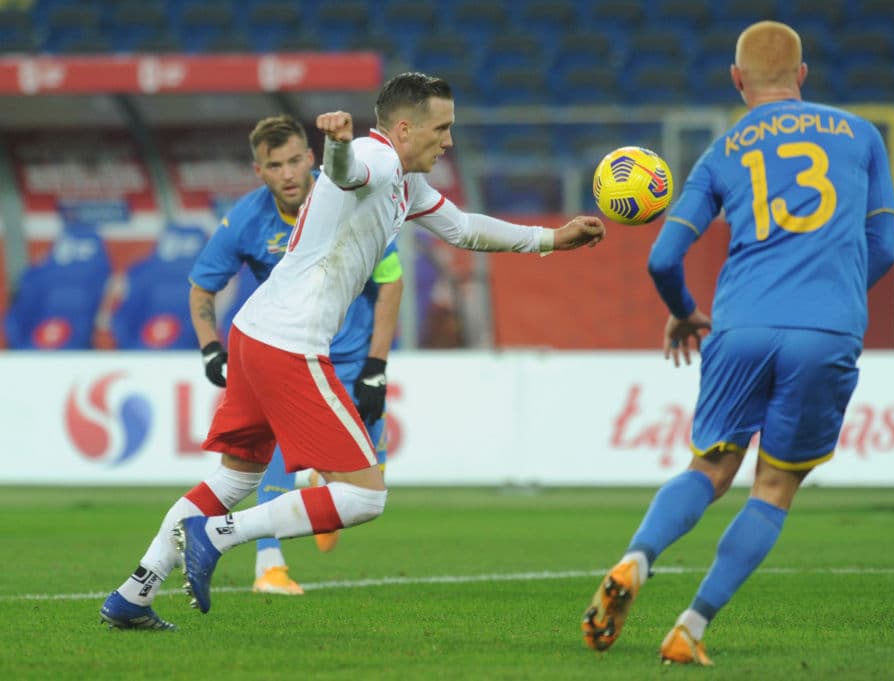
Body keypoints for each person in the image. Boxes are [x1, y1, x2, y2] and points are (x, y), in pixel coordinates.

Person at [99, 71, 606, 630]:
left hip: (254, 333)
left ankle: (134, 593)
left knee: (233, 480)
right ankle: (219, 534)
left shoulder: (406, 184)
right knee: (364, 497)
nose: (449, 141)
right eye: (442, 128)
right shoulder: (375, 156)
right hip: (289, 344)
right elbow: (345, 172)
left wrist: (552, 239)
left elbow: (463, 229)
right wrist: (337, 145)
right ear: (406, 127)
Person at [581, 21, 894, 665]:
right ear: (802, 75)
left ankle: (636, 558)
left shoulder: (723, 151)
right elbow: (885, 247)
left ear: (737, 79)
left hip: (740, 326)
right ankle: (689, 628)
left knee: (710, 468)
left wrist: (683, 313)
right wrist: (832, 289)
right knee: (774, 487)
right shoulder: (862, 136)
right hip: (826, 327)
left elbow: (664, 258)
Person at [186, 114, 403, 597]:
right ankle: (270, 566)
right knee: (273, 459)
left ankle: (320, 491)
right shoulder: (245, 219)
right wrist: (210, 350)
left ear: (312, 158)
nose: (286, 173)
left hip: (351, 359)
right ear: (258, 171)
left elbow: (391, 280)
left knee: (371, 480)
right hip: (291, 355)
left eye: (293, 161)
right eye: (273, 165)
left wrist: (376, 365)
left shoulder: (350, 195)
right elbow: (203, 286)